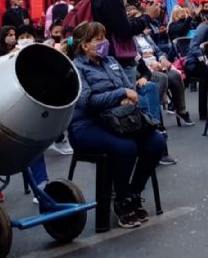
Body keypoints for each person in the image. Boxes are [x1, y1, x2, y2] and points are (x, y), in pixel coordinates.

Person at [68, 22, 166, 228]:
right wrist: (119, 95)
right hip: (88, 125)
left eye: (104, 37)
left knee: (156, 142)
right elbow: (88, 101)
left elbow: (131, 88)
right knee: (126, 147)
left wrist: (126, 95)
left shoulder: (111, 61)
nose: (105, 42)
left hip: (118, 119)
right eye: (98, 39)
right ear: (85, 45)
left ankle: (134, 193)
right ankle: (120, 200)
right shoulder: (77, 67)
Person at [92, 0, 148, 84]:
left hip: (107, 58)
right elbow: (124, 30)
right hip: (119, 60)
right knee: (129, 102)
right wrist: (147, 17)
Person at [132, 22, 194, 126]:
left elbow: (158, 51)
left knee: (175, 75)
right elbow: (135, 58)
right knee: (162, 77)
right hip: (144, 70)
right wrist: (150, 64)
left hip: (158, 65)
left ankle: (180, 110)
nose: (145, 27)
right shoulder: (129, 39)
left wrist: (163, 59)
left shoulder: (146, 37)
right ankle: (154, 115)